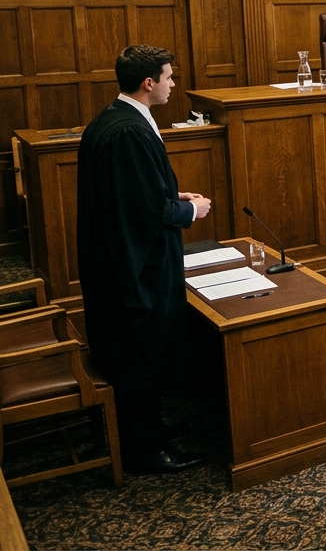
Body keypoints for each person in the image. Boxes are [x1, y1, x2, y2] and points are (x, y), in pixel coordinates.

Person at [77, 45, 213, 474]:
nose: (174, 85)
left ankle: (150, 428)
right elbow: (141, 213)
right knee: (141, 350)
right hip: (134, 268)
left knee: (143, 350)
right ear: (148, 83)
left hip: (119, 258)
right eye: (170, 78)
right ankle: (145, 448)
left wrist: (172, 196)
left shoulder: (116, 120)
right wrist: (189, 211)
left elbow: (131, 193)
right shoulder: (129, 133)